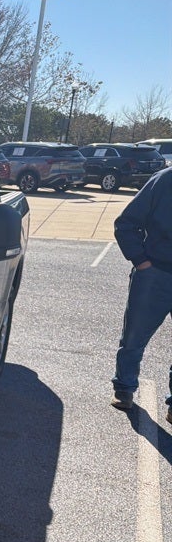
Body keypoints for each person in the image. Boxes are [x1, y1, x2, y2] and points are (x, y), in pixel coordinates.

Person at [110, 165, 172, 424]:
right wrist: (141, 261)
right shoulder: (164, 180)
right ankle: (124, 389)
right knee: (134, 337)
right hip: (155, 273)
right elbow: (126, 223)